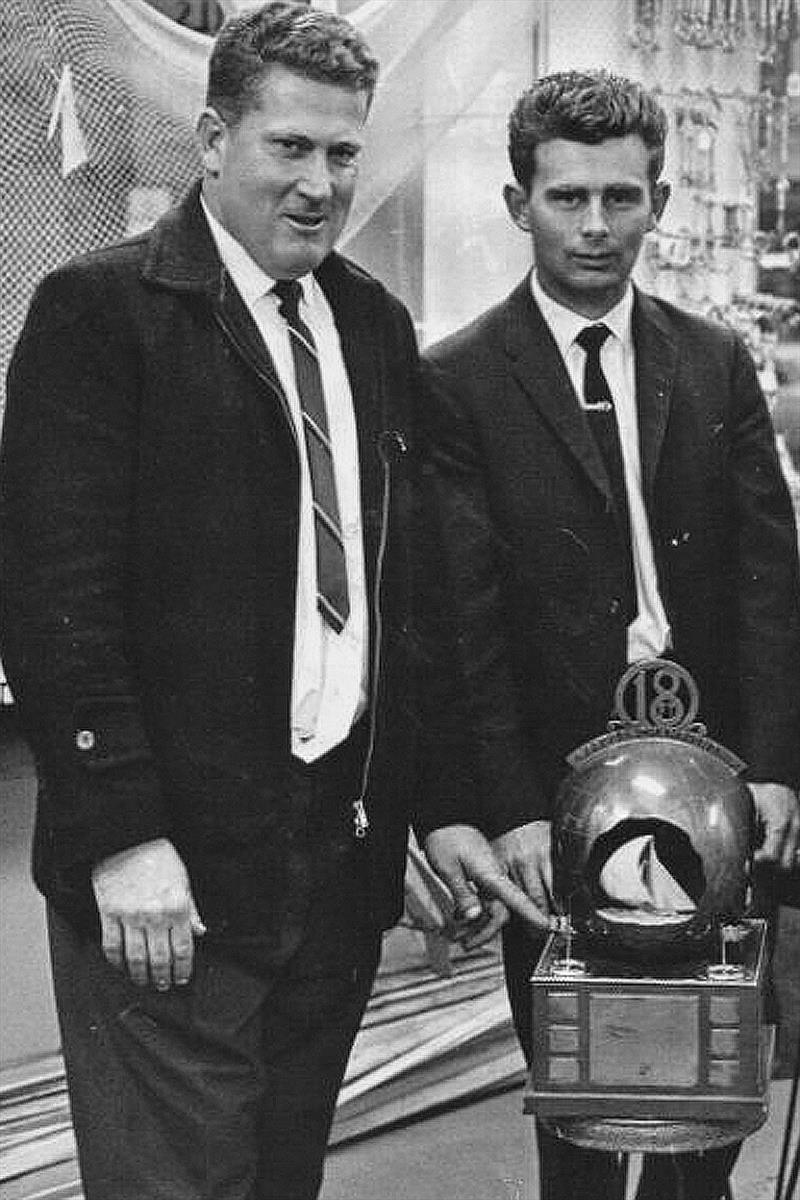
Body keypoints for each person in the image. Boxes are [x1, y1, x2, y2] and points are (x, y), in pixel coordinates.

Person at [0, 5, 510, 1197]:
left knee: (280, 1183)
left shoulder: (372, 326)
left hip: (327, 885)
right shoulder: (102, 313)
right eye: (289, 147)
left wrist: (432, 812)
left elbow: (405, 601)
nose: (319, 183)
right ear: (213, 138)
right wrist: (124, 833)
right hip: (166, 885)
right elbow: (51, 595)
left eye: (341, 153)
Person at [416, 70, 800, 1200]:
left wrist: (777, 767)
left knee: (711, 1100)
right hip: (556, 803)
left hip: (719, 790)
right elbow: (461, 617)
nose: (594, 227)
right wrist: (508, 806)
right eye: (566, 198)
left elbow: (766, 580)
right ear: (514, 202)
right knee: (582, 1111)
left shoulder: (713, 361)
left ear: (660, 202)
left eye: (620, 199)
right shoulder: (458, 381)